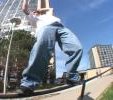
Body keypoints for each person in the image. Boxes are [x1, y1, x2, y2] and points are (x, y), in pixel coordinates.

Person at [19, 0, 83, 93]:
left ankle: (71, 76)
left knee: (77, 48)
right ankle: (29, 82)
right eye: (34, 12)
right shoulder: (34, 18)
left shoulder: (48, 15)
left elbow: (48, 9)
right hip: (46, 28)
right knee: (41, 48)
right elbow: (24, 8)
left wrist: (42, 10)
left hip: (61, 27)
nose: (36, 12)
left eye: (36, 12)